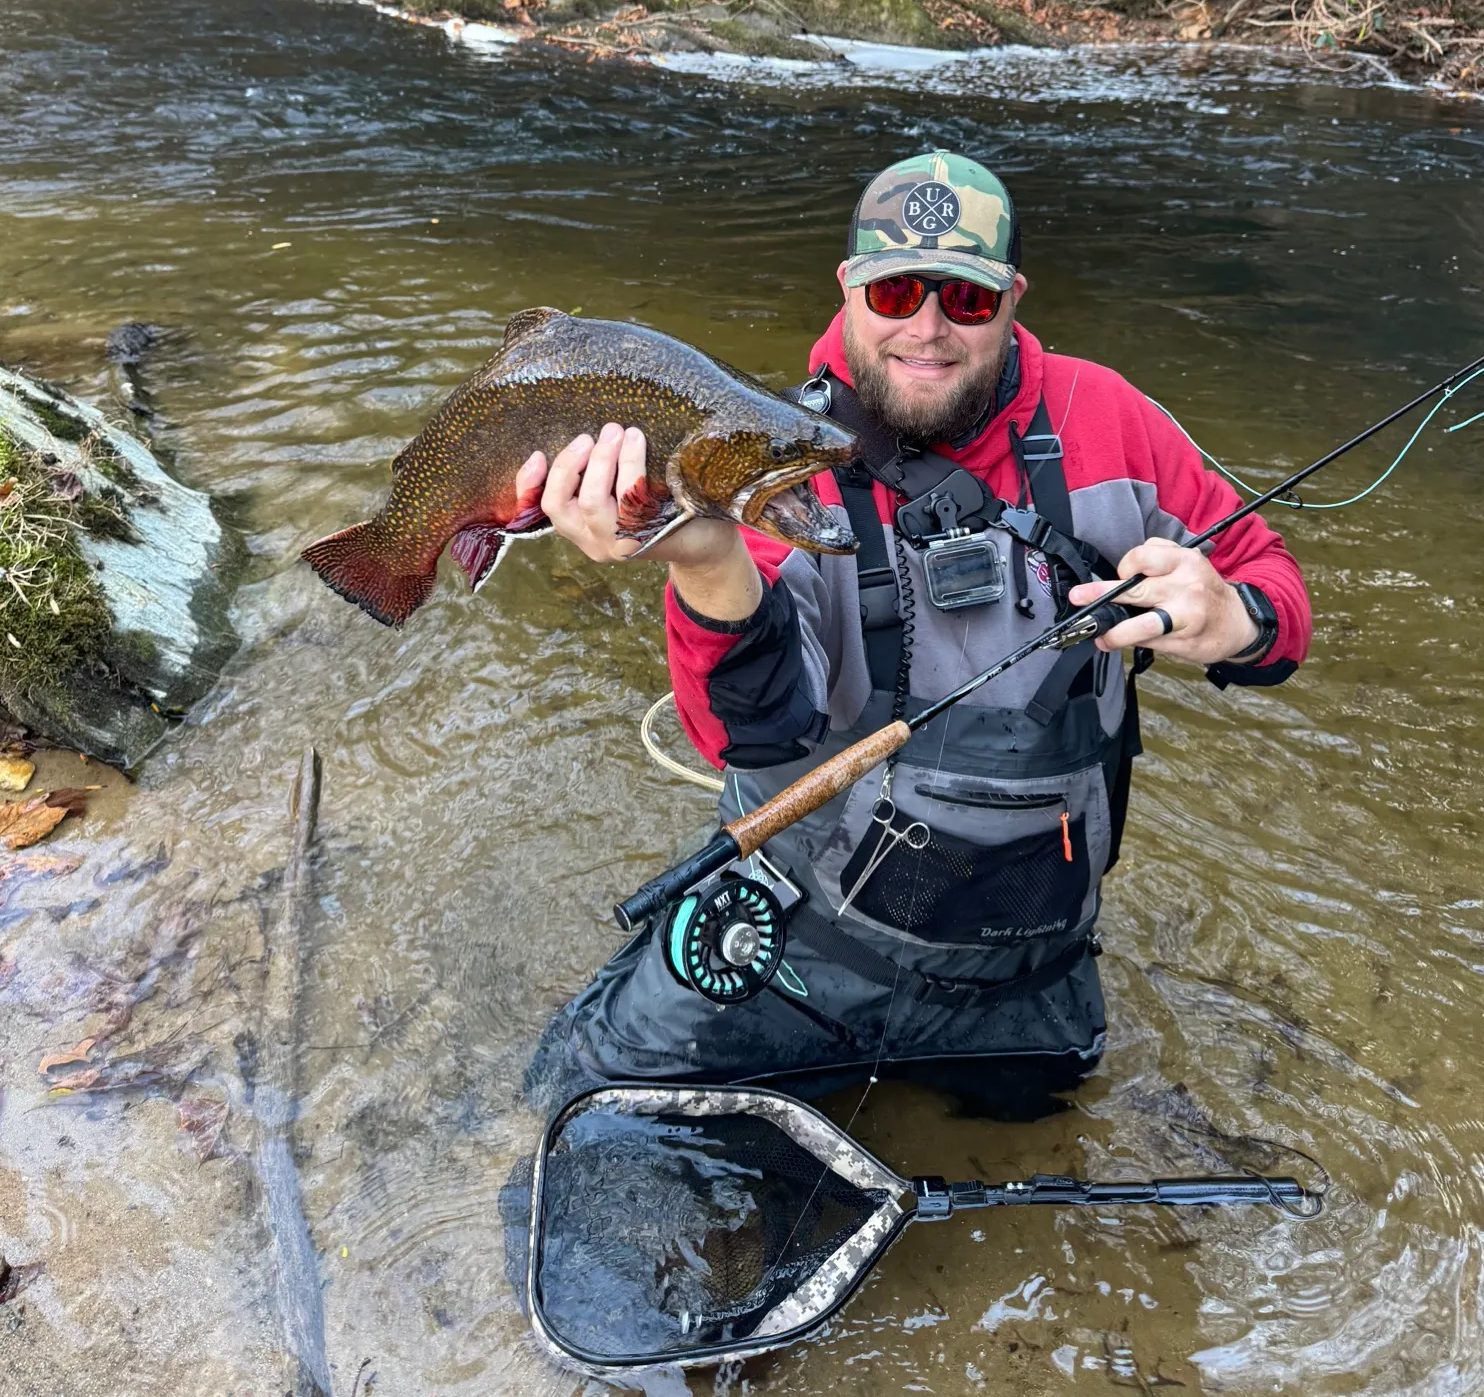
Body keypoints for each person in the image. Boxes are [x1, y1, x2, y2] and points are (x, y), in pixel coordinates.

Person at [521, 151, 1310, 1118]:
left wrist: (1236, 620)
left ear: (1012, 299)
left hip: (1027, 977)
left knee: (1037, 1159)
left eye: (965, 301)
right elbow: (751, 738)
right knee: (581, 1108)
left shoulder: (1113, 423)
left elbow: (1274, 591)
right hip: (794, 950)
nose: (926, 329)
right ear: (850, 291)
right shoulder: (768, 450)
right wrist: (707, 561)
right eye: (896, 291)